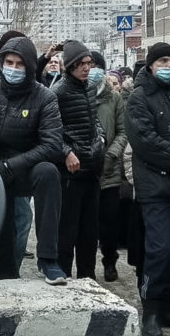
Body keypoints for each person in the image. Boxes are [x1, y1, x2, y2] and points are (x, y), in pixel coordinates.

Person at [0, 37, 66, 285]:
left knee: (49, 172)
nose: (13, 69)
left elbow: (52, 144)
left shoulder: (45, 97)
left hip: (26, 168)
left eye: (19, 64)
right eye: (8, 62)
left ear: (30, 67)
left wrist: (12, 165)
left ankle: (49, 260)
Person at [125, 42, 170, 336]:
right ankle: (152, 310)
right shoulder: (140, 97)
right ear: (151, 64)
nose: (168, 65)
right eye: (163, 61)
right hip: (157, 187)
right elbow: (146, 142)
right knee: (161, 249)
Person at [51, 40, 105, 280]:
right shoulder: (58, 92)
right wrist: (66, 152)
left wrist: (100, 140)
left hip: (92, 168)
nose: (86, 68)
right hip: (70, 173)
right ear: (70, 65)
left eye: (89, 63)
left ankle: (88, 277)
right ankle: (62, 274)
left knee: (89, 231)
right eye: (81, 64)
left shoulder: (89, 89)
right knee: (67, 231)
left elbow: (94, 121)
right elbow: (51, 131)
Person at [90, 52, 128, 283]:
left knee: (110, 222)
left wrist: (111, 154)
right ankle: (87, 268)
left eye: (95, 66)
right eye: (87, 65)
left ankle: (109, 261)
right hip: (84, 171)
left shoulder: (114, 99)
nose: (90, 69)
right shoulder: (76, 95)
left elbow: (123, 132)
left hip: (110, 171)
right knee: (86, 224)